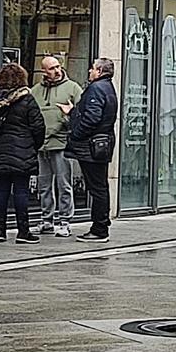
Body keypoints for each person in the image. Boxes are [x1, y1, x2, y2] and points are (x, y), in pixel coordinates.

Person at [61, 58, 118, 243]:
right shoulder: (107, 87)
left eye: (93, 68)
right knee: (100, 186)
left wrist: (76, 134)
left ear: (100, 71)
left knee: (97, 187)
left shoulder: (96, 88)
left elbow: (92, 117)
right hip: (101, 142)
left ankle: (99, 228)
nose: (89, 71)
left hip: (92, 145)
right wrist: (72, 112)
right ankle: (101, 225)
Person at [0, 64, 46, 244]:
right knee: (21, 191)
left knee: (1, 190)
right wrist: (33, 146)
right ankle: (23, 231)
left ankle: (0, 231)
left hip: (1, 149)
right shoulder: (27, 99)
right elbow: (38, 126)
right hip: (23, 150)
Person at [31, 56, 83, 238]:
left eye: (58, 66)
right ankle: (47, 220)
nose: (57, 70)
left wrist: (68, 118)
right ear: (44, 71)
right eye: (52, 68)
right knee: (43, 185)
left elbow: (82, 115)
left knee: (64, 184)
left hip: (61, 144)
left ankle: (65, 221)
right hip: (41, 145)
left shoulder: (73, 88)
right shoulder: (35, 91)